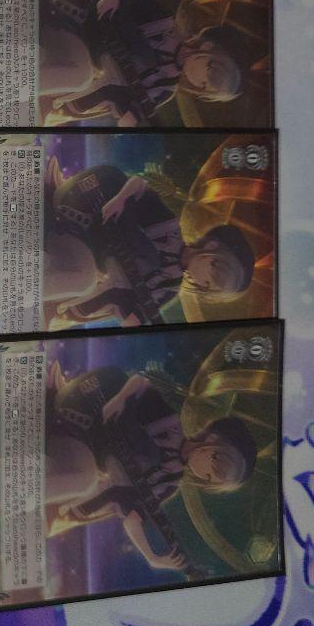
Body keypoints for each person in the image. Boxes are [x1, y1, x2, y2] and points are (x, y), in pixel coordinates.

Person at [45, 360, 258, 572]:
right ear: (212, 440)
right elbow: (139, 381)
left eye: (211, 478)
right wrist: (120, 398)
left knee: (86, 482)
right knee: (84, 478)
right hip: (75, 421)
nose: (205, 474)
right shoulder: (171, 422)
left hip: (79, 459)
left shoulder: (170, 482)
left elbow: (132, 516)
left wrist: (152, 557)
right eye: (216, 463)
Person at [38, 0, 251, 126]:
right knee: (80, 74)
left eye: (206, 87)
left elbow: (124, 105)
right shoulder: (164, 24)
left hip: (75, 71)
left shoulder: (166, 88)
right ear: (209, 46)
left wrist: (128, 117)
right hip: (72, 13)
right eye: (210, 70)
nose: (200, 80)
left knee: (79, 77)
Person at [44, 157, 256, 326]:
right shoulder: (169, 229)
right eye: (212, 273)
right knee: (84, 279)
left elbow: (137, 315)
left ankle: (54, 304)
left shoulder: (170, 285)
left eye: (208, 286)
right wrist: (120, 199)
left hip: (88, 257)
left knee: (92, 283)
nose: (203, 283)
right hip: (78, 217)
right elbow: (139, 184)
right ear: (211, 247)